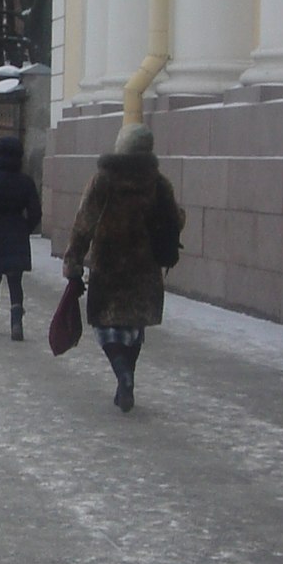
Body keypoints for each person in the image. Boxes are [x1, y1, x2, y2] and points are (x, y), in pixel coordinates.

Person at [62, 122, 185, 412]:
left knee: (106, 325)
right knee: (133, 325)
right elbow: (175, 220)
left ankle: (122, 373)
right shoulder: (158, 182)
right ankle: (127, 376)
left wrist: (73, 260)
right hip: (145, 264)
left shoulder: (104, 179)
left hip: (109, 262)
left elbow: (84, 222)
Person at [0, 136, 42, 340]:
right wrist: (25, 228)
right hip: (17, 233)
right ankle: (16, 322)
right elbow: (35, 212)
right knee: (15, 281)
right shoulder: (26, 182)